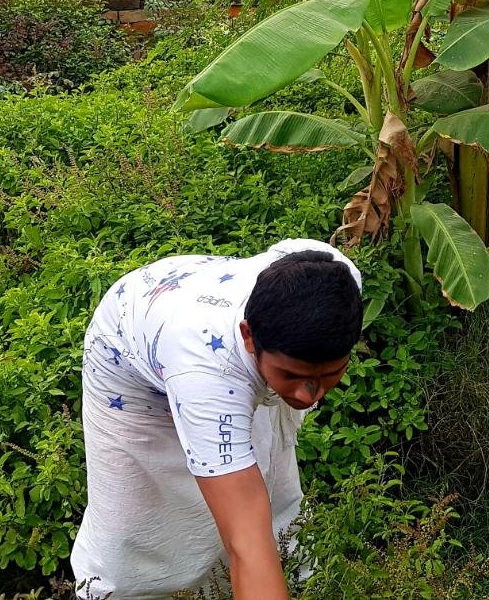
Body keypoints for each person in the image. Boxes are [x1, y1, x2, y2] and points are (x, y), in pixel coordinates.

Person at [70, 239, 364, 600]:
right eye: (291, 375)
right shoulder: (207, 375)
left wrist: (285, 376)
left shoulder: (337, 280)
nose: (307, 395)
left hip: (193, 308)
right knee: (135, 525)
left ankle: (290, 569)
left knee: (264, 482)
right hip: (128, 366)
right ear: (249, 336)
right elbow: (246, 542)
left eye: (330, 373)